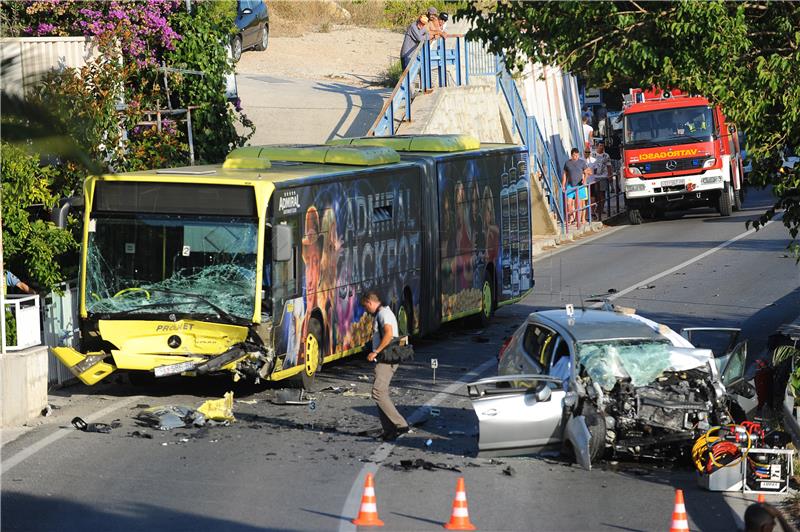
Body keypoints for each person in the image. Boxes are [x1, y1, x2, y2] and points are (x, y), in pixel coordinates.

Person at [362, 290, 410, 441]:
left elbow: (389, 334)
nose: (366, 310)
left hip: (387, 358)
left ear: (370, 302)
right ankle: (389, 430)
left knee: (378, 392)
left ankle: (400, 424)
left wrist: (375, 351)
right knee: (380, 393)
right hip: (385, 358)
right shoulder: (384, 313)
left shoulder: (383, 314)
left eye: (365, 307)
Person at [563, 148, 590, 225]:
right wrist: (563, 185)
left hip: (579, 185)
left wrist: (584, 180)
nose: (576, 157)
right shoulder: (567, 163)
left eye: (577, 155)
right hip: (570, 185)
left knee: (579, 204)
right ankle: (572, 216)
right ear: (571, 155)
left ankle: (578, 220)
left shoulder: (582, 162)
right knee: (568, 203)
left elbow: (586, 172)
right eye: (574, 155)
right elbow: (565, 174)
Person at [590, 141, 613, 218]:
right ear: (597, 146)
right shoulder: (592, 154)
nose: (602, 147)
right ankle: (597, 208)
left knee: (602, 194)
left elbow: (609, 166)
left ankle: (601, 209)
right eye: (600, 146)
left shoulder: (606, 156)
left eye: (603, 146)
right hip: (594, 177)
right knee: (596, 194)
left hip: (603, 177)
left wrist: (610, 176)